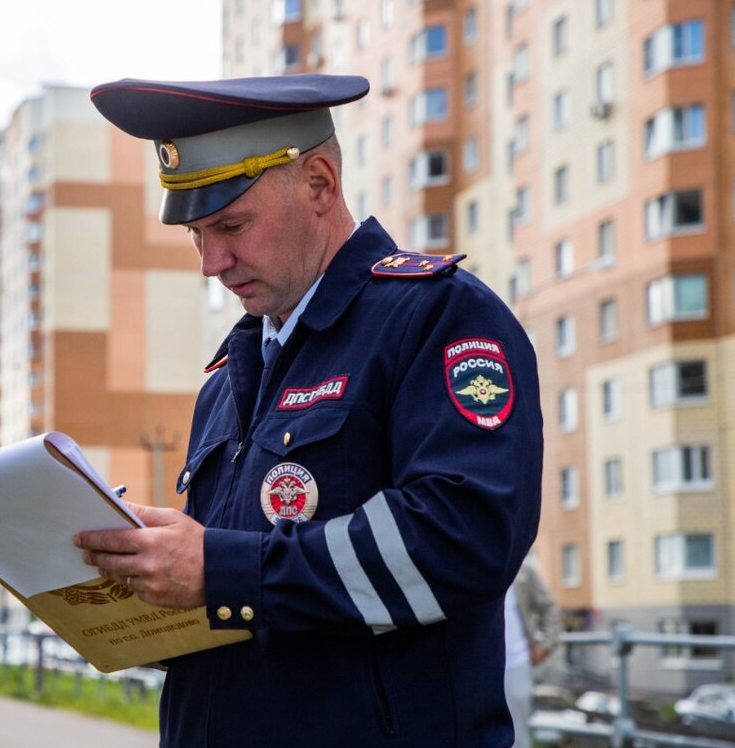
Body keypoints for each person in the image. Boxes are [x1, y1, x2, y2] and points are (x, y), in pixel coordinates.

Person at [75, 74, 544, 747]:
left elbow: (464, 538)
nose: (212, 261)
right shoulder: (228, 376)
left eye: (231, 225)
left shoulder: (435, 315)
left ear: (320, 184)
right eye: (198, 234)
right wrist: (149, 584)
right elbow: (253, 601)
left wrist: (219, 568)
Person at [505, 553, 562, 748]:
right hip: (476, 666)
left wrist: (546, 644)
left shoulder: (522, 569)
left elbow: (550, 608)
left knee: (517, 737)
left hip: (516, 664)